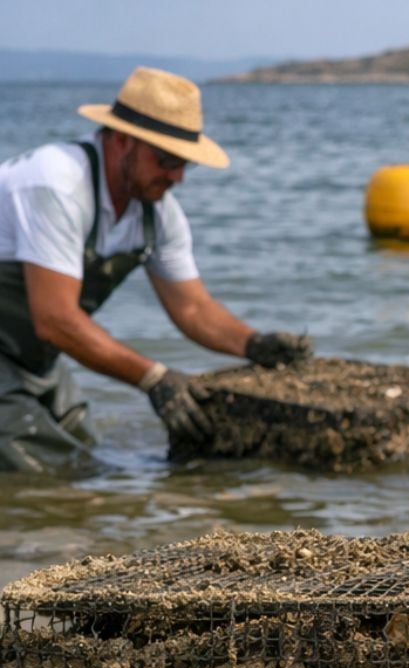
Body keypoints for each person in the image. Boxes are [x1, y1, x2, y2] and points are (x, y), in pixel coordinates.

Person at [0, 66, 312, 471]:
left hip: (29, 358)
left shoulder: (157, 215)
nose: (176, 177)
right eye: (165, 160)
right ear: (122, 140)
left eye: (184, 164)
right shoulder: (56, 182)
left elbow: (193, 309)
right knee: (38, 468)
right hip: (26, 343)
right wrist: (154, 379)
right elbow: (55, 319)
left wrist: (254, 345)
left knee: (85, 453)